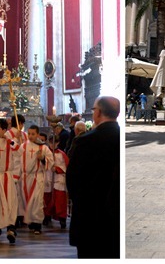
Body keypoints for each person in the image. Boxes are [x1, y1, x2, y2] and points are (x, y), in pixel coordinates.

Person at [67, 95, 120, 259]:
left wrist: (78, 202)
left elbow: (72, 179)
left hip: (89, 217)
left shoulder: (84, 141)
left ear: (98, 113)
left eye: (94, 109)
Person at [19, 125, 53, 235]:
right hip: (25, 178)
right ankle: (31, 222)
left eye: (33, 134)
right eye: (29, 134)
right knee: (27, 200)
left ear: (38, 134)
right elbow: (16, 160)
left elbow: (51, 162)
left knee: (37, 201)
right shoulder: (23, 146)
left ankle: (38, 224)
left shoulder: (43, 148)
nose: (31, 136)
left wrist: (43, 159)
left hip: (37, 177)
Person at [48, 136, 69, 229]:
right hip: (48, 178)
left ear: (58, 143)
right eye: (51, 142)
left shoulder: (62, 154)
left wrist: (57, 169)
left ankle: (62, 218)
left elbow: (66, 167)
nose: (53, 144)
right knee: (48, 198)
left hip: (59, 179)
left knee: (60, 199)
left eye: (55, 142)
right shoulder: (46, 152)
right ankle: (47, 216)